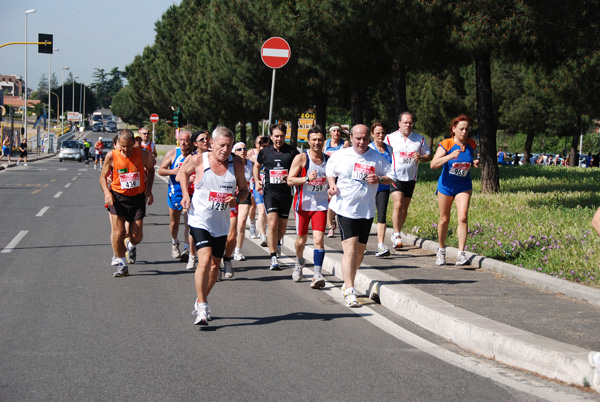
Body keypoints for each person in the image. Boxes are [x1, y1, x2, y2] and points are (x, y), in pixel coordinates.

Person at [178, 126, 248, 326]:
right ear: (212, 144)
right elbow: (182, 174)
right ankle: (203, 307)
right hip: (199, 218)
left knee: (215, 268)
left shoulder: (237, 164)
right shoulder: (199, 160)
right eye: (221, 145)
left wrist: (236, 199)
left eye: (229, 145)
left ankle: (201, 298)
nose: (225, 149)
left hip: (221, 222)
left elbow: (244, 190)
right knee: (205, 260)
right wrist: (185, 194)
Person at [326, 124, 394, 307]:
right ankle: (349, 289)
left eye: (365, 138)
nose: (361, 142)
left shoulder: (376, 157)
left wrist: (380, 179)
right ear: (352, 137)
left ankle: (348, 279)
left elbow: (391, 176)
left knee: (360, 252)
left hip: (366, 210)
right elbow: (330, 171)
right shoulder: (341, 154)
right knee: (349, 250)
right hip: (345, 208)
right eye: (358, 138)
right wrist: (332, 185)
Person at [99, 130, 155, 277]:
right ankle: (122, 265)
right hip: (118, 197)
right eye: (122, 146)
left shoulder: (142, 154)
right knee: (119, 233)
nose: (125, 150)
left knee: (136, 236)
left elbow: (151, 170)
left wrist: (148, 190)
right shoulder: (112, 155)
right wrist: (107, 193)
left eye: (129, 146)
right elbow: (102, 177)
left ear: (134, 143)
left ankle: (130, 245)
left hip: (137, 198)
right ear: (119, 144)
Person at [430, 114, 480, 266]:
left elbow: (469, 160)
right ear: (453, 129)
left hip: (463, 186)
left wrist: (476, 162)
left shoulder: (472, 144)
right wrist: (450, 156)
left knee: (463, 217)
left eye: (466, 129)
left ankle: (461, 254)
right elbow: (433, 165)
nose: (464, 132)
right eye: (461, 129)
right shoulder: (446, 144)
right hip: (446, 186)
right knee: (444, 219)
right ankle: (441, 249)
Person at [253, 123, 299, 270]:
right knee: (272, 224)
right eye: (276, 136)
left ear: (285, 136)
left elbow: (301, 166)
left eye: (281, 136)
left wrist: (294, 177)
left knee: (282, 228)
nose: (279, 139)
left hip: (286, 193)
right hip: (270, 193)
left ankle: (277, 242)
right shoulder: (265, 152)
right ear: (271, 137)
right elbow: (256, 166)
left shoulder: (292, 152)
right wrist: (257, 181)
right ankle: (273, 257)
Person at [287, 125, 328, 288]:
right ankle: (299, 261)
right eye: (314, 140)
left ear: (324, 141)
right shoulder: (302, 158)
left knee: (318, 239)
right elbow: (289, 180)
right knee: (301, 241)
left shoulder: (328, 160)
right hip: (303, 206)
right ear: (309, 141)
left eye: (320, 140)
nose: (317, 143)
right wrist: (306, 179)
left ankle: (317, 275)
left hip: (321, 205)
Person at [384, 112, 431, 250]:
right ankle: (397, 235)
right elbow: (382, 152)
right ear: (399, 123)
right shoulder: (390, 138)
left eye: (410, 123)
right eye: (405, 123)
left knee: (404, 209)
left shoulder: (419, 139)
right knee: (398, 204)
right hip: (395, 176)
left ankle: (396, 231)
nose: (408, 125)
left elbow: (428, 155)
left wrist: (421, 158)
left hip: (410, 178)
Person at [158, 130, 195, 261]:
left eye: (186, 140)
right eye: (181, 140)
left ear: (191, 141)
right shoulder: (173, 153)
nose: (183, 143)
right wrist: (172, 171)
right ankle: (174, 242)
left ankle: (186, 248)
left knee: (188, 223)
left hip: (190, 193)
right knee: (174, 223)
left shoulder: (195, 154)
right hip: (175, 193)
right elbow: (160, 170)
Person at [368, 122, 393, 257]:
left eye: (383, 132)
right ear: (372, 134)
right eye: (377, 133)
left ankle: (380, 245)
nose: (381, 135)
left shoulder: (389, 148)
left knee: (381, 216)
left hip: (383, 185)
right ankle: (362, 243)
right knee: (367, 215)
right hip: (369, 187)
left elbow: (391, 167)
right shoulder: (369, 148)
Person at [324, 123, 350, 238]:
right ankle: (330, 227)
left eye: (338, 131)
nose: (336, 133)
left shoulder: (344, 143)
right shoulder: (326, 143)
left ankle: (336, 221)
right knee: (330, 201)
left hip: (340, 176)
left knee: (337, 199)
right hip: (328, 175)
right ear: (330, 133)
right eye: (334, 131)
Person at [249, 136, 270, 246]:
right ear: (257, 144)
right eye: (262, 145)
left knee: (263, 211)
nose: (264, 147)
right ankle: (252, 226)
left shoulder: (271, 154)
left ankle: (263, 235)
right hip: (256, 185)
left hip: (268, 186)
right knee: (254, 207)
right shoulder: (251, 153)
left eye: (266, 145)